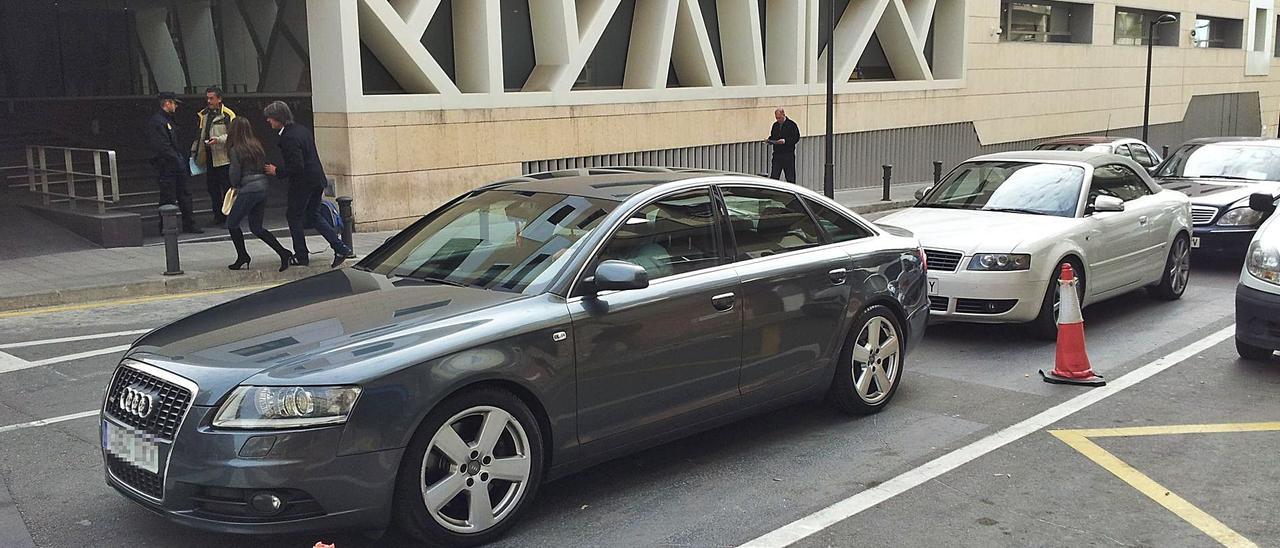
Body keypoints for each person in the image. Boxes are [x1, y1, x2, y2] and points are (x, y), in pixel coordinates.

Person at [262, 100, 353, 268]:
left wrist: (278, 171)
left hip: (303, 183)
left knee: (294, 216)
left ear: (278, 118)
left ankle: (301, 255)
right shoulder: (301, 130)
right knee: (314, 215)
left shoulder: (288, 138)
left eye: (270, 118)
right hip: (317, 179)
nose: (268, 121)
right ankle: (340, 247)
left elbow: (297, 165)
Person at [224, 117, 293, 272]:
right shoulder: (256, 145)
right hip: (262, 187)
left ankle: (243, 255)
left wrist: (235, 185)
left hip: (248, 188)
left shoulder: (235, 149)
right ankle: (283, 252)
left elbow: (234, 173)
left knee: (232, 223)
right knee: (256, 227)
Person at [146, 92, 202, 234]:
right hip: (167, 166)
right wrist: (178, 161)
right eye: (174, 103)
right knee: (168, 197)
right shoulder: (159, 122)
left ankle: (188, 224)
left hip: (176, 164)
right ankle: (167, 227)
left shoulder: (168, 120)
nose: (176, 106)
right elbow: (163, 146)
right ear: (167, 103)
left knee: (184, 195)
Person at [193, 86, 236, 226]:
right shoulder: (203, 114)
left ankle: (230, 216)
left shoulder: (227, 114)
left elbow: (233, 134)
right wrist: (195, 152)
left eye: (212, 98)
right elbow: (199, 135)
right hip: (209, 156)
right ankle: (218, 216)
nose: (209, 101)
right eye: (207, 98)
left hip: (224, 157)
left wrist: (218, 139)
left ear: (219, 99)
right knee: (212, 188)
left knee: (227, 188)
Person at [767, 108, 801, 184]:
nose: (778, 120)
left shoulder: (791, 125)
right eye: (776, 118)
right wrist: (770, 140)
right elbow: (773, 136)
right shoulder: (775, 125)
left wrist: (785, 141)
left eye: (779, 118)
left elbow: (796, 138)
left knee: (790, 177)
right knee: (774, 176)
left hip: (787, 154)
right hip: (777, 154)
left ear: (783, 115)